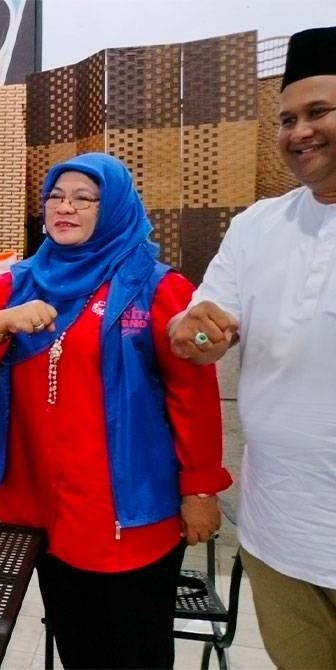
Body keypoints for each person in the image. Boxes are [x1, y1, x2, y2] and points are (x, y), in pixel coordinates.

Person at [0, 152, 231, 669]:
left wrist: (201, 489)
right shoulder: (23, 278)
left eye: (83, 198)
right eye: (55, 196)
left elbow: (194, 396)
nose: (64, 208)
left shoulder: (157, 286)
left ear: (114, 207)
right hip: (44, 508)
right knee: (77, 645)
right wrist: (4, 320)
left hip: (127, 514)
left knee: (135, 651)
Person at [168, 26, 336, 668]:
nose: (299, 132)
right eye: (287, 118)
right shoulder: (259, 226)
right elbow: (201, 326)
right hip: (280, 538)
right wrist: (194, 333)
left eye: (318, 112)